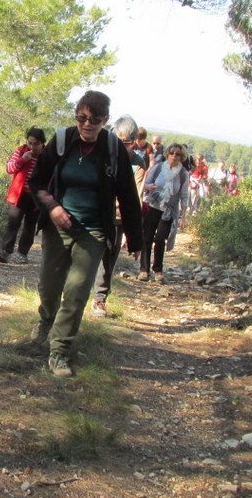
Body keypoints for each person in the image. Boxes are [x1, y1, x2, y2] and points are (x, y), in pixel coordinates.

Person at [27, 91, 142, 378]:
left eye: (94, 119)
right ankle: (46, 320)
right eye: (81, 117)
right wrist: (52, 208)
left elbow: (129, 198)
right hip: (58, 227)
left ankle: (60, 350)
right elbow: (37, 182)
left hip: (94, 232)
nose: (86, 124)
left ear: (105, 120)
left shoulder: (114, 149)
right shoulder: (63, 140)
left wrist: (136, 241)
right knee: (49, 287)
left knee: (77, 292)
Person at [91, 115, 145, 316]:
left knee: (108, 258)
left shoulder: (138, 163)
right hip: (96, 211)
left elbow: (136, 198)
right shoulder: (100, 152)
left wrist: (132, 233)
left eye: (128, 143)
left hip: (118, 217)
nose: (123, 147)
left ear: (136, 142)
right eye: (119, 142)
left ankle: (99, 299)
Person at [0, 128, 46, 265]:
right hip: (18, 194)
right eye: (30, 143)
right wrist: (22, 160)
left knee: (30, 225)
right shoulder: (21, 151)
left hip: (36, 198)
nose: (32, 147)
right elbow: (9, 168)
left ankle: (22, 253)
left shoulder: (47, 155)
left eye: (36, 144)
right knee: (13, 223)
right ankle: (5, 251)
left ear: (42, 143)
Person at [138, 142, 190, 285]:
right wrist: (149, 187)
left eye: (178, 154)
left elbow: (184, 195)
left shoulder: (183, 174)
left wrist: (183, 216)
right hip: (153, 205)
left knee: (160, 238)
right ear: (167, 153)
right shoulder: (158, 168)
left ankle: (158, 270)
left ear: (182, 156)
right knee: (147, 237)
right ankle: (144, 269)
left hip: (169, 209)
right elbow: (145, 184)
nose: (174, 156)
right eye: (172, 152)